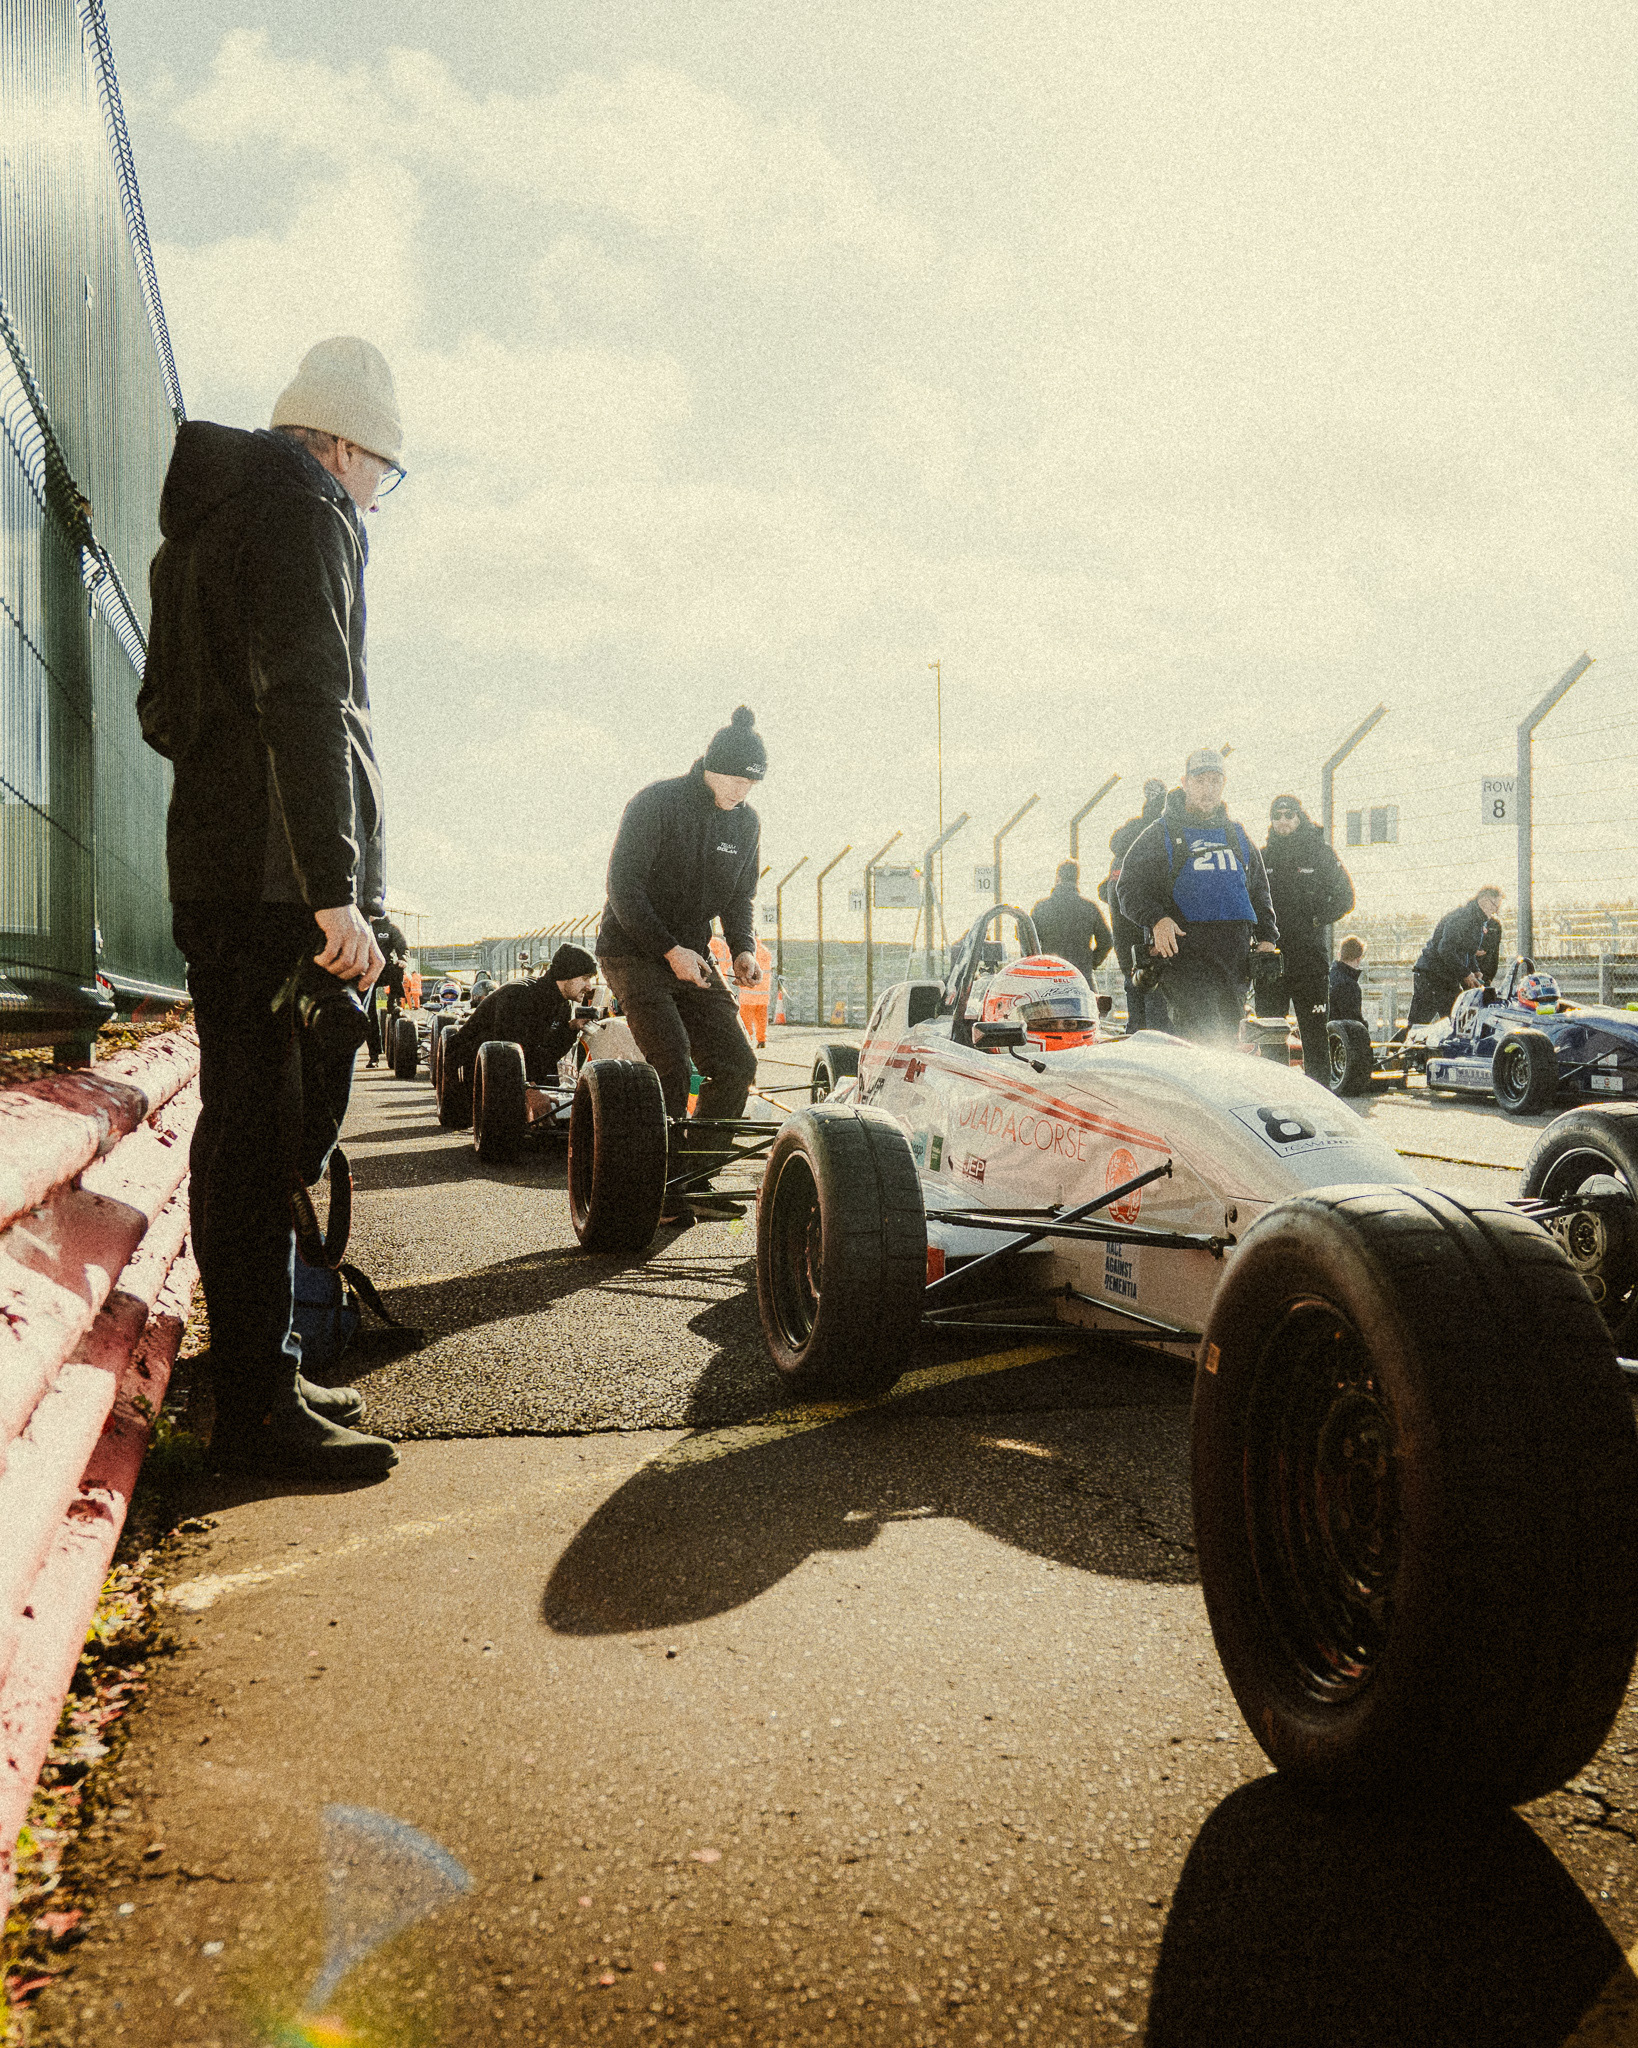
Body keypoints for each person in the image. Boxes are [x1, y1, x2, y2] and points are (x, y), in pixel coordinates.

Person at [138, 335, 405, 1481]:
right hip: (279, 884)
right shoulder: (305, 510)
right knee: (265, 1136)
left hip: (218, 867)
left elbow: (162, 710)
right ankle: (255, 1409)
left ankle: (265, 1372)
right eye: (384, 471)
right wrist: (333, 888)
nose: (378, 496)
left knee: (248, 1129)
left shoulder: (195, 532)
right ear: (342, 445)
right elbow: (309, 697)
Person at [596, 707, 766, 1225]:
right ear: (711, 767)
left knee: (737, 1062)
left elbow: (739, 897)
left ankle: (693, 1178)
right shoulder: (656, 802)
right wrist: (669, 950)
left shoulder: (746, 822)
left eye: (752, 783)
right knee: (672, 1060)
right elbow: (623, 886)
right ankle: (658, 1189)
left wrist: (742, 947)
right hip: (632, 948)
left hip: (693, 954)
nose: (742, 790)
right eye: (735, 779)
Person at [1116, 748, 1279, 1044]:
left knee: (1228, 1039)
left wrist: (1267, 937)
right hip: (1185, 958)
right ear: (1185, 783)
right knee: (1202, 1037)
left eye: (1215, 781)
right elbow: (1128, 887)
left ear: (1223, 784)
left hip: (1234, 958)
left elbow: (1259, 890)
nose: (1208, 789)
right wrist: (1157, 919)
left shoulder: (1237, 834)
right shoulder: (1161, 833)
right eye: (1200, 781)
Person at [1258, 795, 1355, 1082]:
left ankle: (1319, 1094)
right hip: (1270, 958)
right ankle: (1274, 1094)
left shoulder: (1320, 853)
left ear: (1299, 817)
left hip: (1309, 958)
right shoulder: (1262, 856)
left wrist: (1315, 919)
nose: (1283, 821)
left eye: (1289, 815)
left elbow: (1346, 897)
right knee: (1271, 1035)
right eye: (1277, 815)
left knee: (1313, 1033)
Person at [440, 944, 598, 1086]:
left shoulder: (562, 1004)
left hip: (505, 1073)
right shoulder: (519, 996)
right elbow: (507, 1056)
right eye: (585, 978)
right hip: (471, 1076)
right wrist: (530, 1091)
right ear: (566, 974)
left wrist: (570, 1029)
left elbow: (546, 1056)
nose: (589, 986)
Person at [1102, 779, 1169, 1032]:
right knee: (1155, 997)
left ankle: (1136, 1034)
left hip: (1125, 942)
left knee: (1133, 984)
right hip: (1151, 937)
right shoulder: (1157, 843)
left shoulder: (1119, 857)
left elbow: (1107, 891)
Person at [1408, 886, 1503, 1027]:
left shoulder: (1476, 920)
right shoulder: (1462, 917)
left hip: (1446, 977)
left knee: (1456, 1021)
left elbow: (1466, 950)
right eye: (1495, 906)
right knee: (1421, 1024)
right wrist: (1465, 973)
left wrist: (1475, 970)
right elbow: (1445, 948)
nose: (1496, 911)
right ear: (1484, 900)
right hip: (1432, 975)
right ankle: (1403, 1041)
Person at [1029, 860, 1112, 987]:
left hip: (1049, 974)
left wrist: (1039, 963)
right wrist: (1091, 962)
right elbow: (1107, 941)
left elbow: (1028, 939)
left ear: (1058, 878)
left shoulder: (1041, 907)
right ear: (1076, 879)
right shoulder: (1089, 907)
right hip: (1080, 975)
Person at [1329, 934, 1367, 1025]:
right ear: (1358, 959)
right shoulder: (1350, 985)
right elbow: (1354, 1024)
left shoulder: (1328, 977)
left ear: (1339, 955)